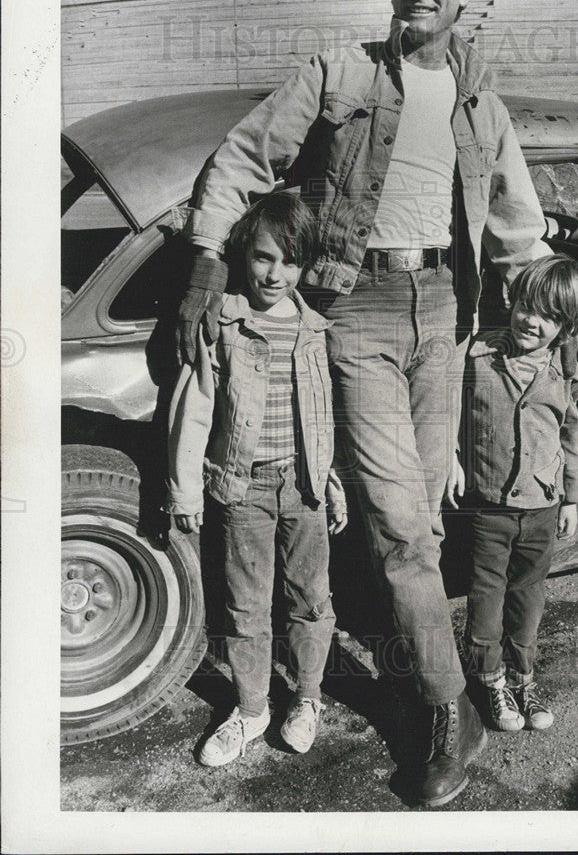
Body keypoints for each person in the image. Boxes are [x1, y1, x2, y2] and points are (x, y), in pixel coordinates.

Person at [177, 0, 552, 805]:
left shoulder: (480, 104)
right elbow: (243, 156)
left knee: (418, 525)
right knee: (397, 526)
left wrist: (553, 299)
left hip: (446, 316)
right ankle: (441, 710)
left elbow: (518, 228)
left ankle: (437, 670)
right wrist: (203, 262)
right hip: (360, 311)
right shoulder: (337, 73)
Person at [166, 194, 347, 766]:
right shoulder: (224, 322)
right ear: (246, 254)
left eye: (290, 263)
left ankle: (309, 698)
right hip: (243, 490)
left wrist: (330, 477)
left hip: (305, 488)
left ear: (306, 266)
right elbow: (195, 406)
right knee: (246, 605)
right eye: (265, 258)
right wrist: (185, 488)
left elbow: (319, 415)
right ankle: (250, 708)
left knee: (311, 598)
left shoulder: (314, 328)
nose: (276, 274)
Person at [449, 254, 578, 734]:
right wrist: (451, 456)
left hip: (542, 507)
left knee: (528, 595)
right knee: (486, 593)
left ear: (566, 326)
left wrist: (572, 497)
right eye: (527, 306)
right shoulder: (478, 356)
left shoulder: (564, 371)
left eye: (549, 316)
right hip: (489, 506)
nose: (532, 320)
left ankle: (523, 677)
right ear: (512, 301)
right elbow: (450, 411)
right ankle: (489, 679)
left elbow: (570, 433)